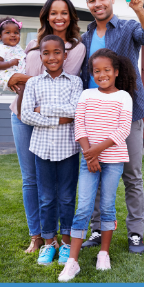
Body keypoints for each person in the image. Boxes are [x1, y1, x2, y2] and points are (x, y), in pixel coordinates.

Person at [79, 0, 144, 254]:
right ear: (88, 4)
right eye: (92, 0)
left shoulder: (127, 28)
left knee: (132, 176)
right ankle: (98, 227)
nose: (97, 3)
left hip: (128, 112)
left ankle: (135, 233)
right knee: (96, 170)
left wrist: (139, 9)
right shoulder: (86, 37)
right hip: (93, 116)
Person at [6, 0, 86, 254]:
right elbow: (28, 78)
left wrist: (24, 80)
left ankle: (58, 238)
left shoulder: (76, 47)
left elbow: (63, 77)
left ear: (71, 16)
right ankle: (38, 236)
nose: (59, 17)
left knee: (61, 189)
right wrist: (14, 78)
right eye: (54, 13)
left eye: (64, 13)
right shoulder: (31, 44)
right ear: (46, 16)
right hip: (21, 113)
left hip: (54, 122)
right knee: (30, 179)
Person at [58, 48, 135, 282]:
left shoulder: (124, 97)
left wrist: (96, 153)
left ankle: (104, 253)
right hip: (89, 158)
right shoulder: (86, 95)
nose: (101, 74)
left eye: (106, 70)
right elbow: (79, 125)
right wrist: (89, 155)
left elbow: (123, 130)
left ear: (116, 72)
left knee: (108, 206)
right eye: (96, 71)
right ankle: (73, 262)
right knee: (83, 207)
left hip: (113, 159)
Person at [19, 35, 83, 266]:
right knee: (45, 198)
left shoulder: (75, 82)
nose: (52, 57)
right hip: (42, 149)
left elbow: (75, 110)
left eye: (57, 52)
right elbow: (26, 114)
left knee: (66, 197)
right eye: (46, 53)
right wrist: (58, 119)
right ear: (41, 56)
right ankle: (48, 243)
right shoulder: (34, 83)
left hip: (68, 150)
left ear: (65, 55)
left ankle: (66, 243)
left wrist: (42, 110)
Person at [0, 17, 26, 93]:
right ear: (0, 36)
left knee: (26, 91)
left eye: (16, 33)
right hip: (6, 75)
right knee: (21, 90)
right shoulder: (1, 48)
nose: (13, 35)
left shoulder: (18, 48)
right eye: (8, 32)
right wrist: (9, 63)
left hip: (18, 74)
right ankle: (20, 105)